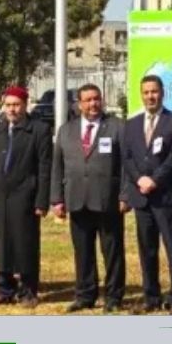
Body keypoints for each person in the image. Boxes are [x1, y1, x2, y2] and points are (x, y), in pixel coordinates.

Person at [52, 84, 127, 312]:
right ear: (79, 104)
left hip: (107, 200)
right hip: (77, 199)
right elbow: (57, 167)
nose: (93, 104)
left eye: (96, 99)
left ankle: (113, 297)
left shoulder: (117, 127)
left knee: (112, 251)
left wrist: (125, 195)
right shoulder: (66, 130)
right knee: (83, 252)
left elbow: (126, 165)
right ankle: (85, 294)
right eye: (88, 100)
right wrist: (57, 199)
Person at [121, 75, 172, 314]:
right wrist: (139, 179)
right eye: (146, 92)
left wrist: (155, 180)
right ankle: (151, 297)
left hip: (166, 197)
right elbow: (127, 157)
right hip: (142, 198)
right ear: (141, 95)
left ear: (162, 93)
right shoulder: (131, 124)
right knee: (147, 249)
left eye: (154, 91)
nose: (150, 96)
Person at [0, 86, 52, 307]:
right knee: (1, 243)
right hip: (0, 196)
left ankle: (28, 290)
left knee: (25, 243)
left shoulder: (39, 130)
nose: (12, 109)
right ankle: (5, 288)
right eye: (8, 105)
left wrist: (42, 200)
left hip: (25, 196)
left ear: (25, 105)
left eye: (16, 105)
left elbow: (44, 168)